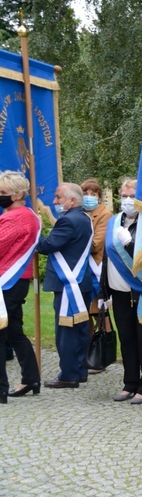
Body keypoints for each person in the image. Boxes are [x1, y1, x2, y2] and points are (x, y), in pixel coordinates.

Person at [99, 179, 142, 404]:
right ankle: (130, 383)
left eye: (133, 196)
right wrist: (103, 292)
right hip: (118, 291)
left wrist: (129, 244)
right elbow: (106, 258)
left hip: (141, 290)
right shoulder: (113, 222)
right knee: (127, 338)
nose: (128, 200)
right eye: (124, 195)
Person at [37, 182, 94, 388]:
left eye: (58, 197)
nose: (54, 201)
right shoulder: (84, 217)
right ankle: (79, 370)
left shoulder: (68, 221)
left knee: (67, 331)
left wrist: (35, 233)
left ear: (72, 200)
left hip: (69, 284)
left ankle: (69, 375)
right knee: (79, 329)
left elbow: (48, 245)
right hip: (81, 283)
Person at [0, 171, 42, 401]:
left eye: (3, 193)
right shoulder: (27, 215)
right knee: (14, 331)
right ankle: (31, 378)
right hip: (16, 280)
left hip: (7, 281)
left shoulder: (15, 218)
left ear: (17, 195)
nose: (0, 196)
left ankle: (1, 388)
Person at [81, 178, 113, 374]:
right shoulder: (80, 213)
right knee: (88, 316)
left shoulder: (105, 215)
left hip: (97, 269)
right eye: (86, 193)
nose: (89, 197)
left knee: (100, 314)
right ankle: (90, 353)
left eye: (93, 194)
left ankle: (104, 354)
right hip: (82, 272)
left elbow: (96, 244)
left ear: (99, 197)